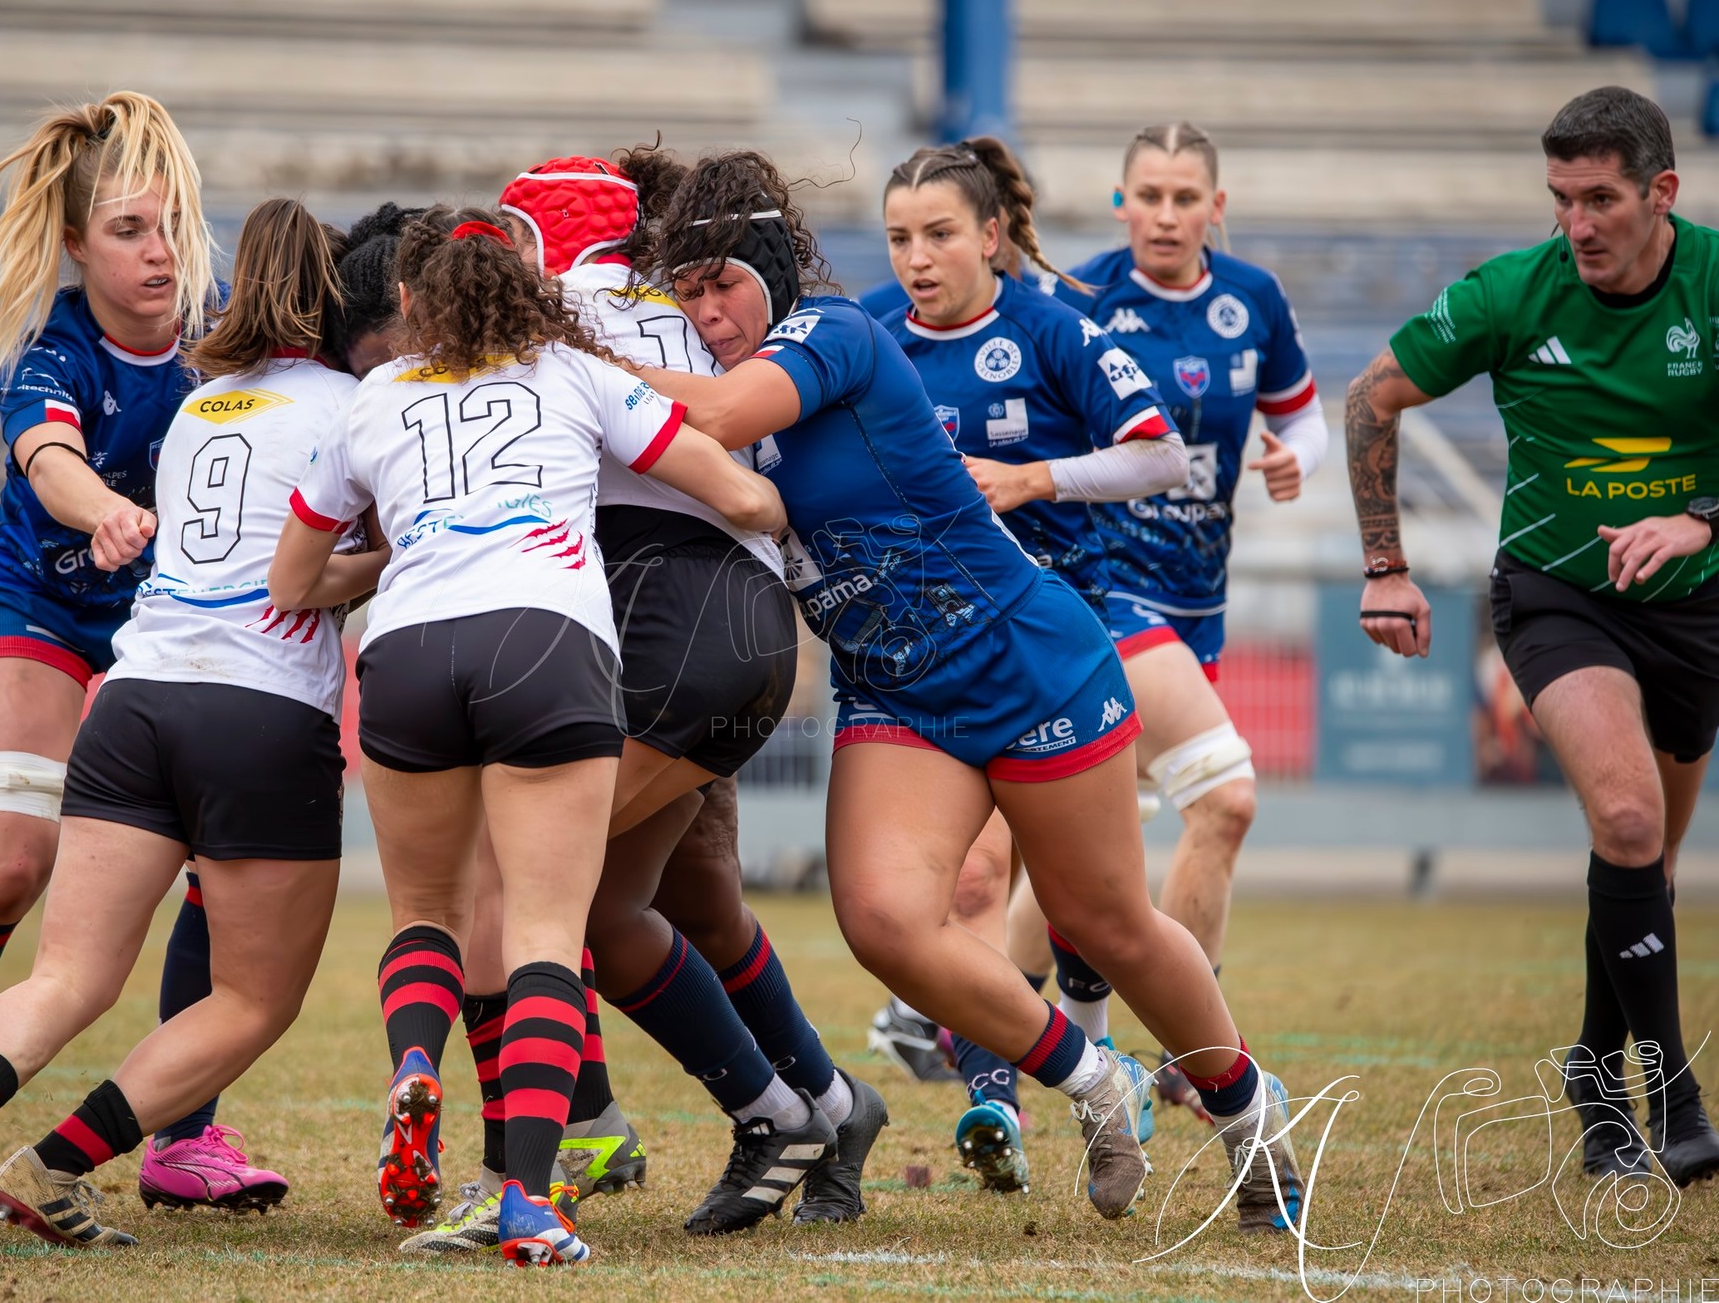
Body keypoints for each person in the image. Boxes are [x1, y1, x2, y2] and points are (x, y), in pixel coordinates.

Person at [633, 149, 1304, 1232]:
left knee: (1104, 922)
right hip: (895, 689)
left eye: (724, 285)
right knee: (885, 921)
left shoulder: (832, 333)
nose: (706, 310)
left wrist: (558, 367)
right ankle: (1094, 1079)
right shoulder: (751, 366)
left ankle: (1244, 1110)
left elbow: (705, 414)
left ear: (770, 270)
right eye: (687, 291)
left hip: (1020, 651)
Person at [271, 205, 786, 1267]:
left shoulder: (372, 397)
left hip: (408, 649)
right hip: (544, 639)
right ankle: (527, 1200)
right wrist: (776, 503)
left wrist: (418, 541)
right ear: (529, 290)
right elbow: (738, 491)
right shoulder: (571, 370)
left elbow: (293, 583)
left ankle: (415, 1071)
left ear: (408, 302)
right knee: (547, 930)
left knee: (428, 913)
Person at [0, 197, 381, 1250]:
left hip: (137, 698)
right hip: (258, 714)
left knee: (66, 976)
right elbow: (316, 567)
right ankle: (52, 1161)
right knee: (252, 998)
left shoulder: (202, 403)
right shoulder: (355, 405)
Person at [460, 151, 881, 1241]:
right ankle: (824, 1107)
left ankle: (530, 1168)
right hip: (717, 623)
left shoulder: (560, 310)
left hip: (665, 617)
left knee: (515, 891)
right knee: (614, 906)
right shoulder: (700, 310)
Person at [1346, 86, 1719, 1189]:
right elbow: (1369, 400)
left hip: (1695, 604)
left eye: (1599, 198)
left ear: (1661, 191)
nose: (1576, 224)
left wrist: (1694, 519)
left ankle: (1592, 1069)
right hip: (1558, 596)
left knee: (1640, 856)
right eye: (1559, 198)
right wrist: (1385, 567)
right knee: (1623, 814)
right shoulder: (1512, 292)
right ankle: (1675, 1098)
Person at [873, 135, 1187, 1191]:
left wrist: (1033, 478)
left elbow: (1159, 451)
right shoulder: (867, 336)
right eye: (899, 238)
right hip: (923, 662)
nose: (917, 258)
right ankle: (993, 1101)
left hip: (1054, 650)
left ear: (992, 235)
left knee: (1089, 907)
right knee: (963, 882)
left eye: (939, 234)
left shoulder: (1053, 330)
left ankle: (1216, 1092)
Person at [1032, 121, 1327, 1125]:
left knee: (1084, 835)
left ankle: (958, 1021)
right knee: (1223, 797)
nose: (1163, 214)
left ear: (1214, 206)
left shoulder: (1252, 299)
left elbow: (1302, 416)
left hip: (1197, 602)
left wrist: (1298, 459)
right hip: (1103, 591)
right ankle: (1189, 1052)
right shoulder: (1078, 300)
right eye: (1145, 195)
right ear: (1119, 203)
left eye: (1181, 197)